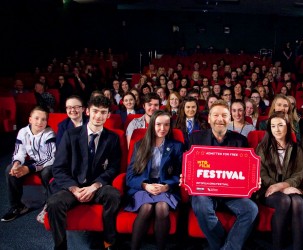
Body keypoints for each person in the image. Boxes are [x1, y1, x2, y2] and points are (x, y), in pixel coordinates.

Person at [47, 95, 121, 250]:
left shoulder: (113, 138)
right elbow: (58, 168)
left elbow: (114, 168)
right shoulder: (70, 135)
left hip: (97, 186)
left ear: (108, 115)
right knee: (54, 203)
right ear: (87, 111)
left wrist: (94, 186)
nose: (98, 116)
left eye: (103, 112)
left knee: (113, 195)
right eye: (95, 111)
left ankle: (109, 242)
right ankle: (60, 246)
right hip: (74, 186)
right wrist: (74, 188)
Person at [186, 100, 258, 250]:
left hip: (232, 194)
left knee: (251, 209)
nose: (220, 119)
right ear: (209, 118)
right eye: (216, 115)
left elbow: (245, 170)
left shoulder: (240, 141)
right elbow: (190, 166)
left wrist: (253, 180)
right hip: (206, 193)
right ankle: (224, 245)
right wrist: (186, 176)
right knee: (200, 204)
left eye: (224, 115)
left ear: (230, 118)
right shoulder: (196, 139)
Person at [125, 110, 184, 250]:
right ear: (152, 125)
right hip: (144, 187)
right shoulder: (140, 145)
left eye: (166, 125)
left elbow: (180, 174)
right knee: (146, 207)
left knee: (162, 207)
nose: (162, 129)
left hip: (165, 187)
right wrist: (145, 186)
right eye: (158, 124)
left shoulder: (176, 146)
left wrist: (166, 186)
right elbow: (130, 177)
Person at [256, 112, 303, 250]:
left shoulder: (297, 148)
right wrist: (277, 186)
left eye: (280, 125)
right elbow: (261, 173)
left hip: (290, 187)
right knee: (284, 201)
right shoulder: (262, 147)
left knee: (296, 202)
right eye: (273, 126)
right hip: (268, 189)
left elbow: (298, 174)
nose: (277, 129)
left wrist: (285, 185)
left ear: (288, 126)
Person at [2, 107, 56, 222]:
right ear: (30, 119)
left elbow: (50, 157)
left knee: (47, 172)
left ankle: (49, 204)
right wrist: (16, 164)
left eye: (43, 119)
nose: (40, 122)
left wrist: (29, 168)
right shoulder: (23, 132)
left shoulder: (49, 133)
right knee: (10, 170)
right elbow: (19, 152)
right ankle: (17, 206)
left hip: (47, 163)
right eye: (36, 118)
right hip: (33, 160)